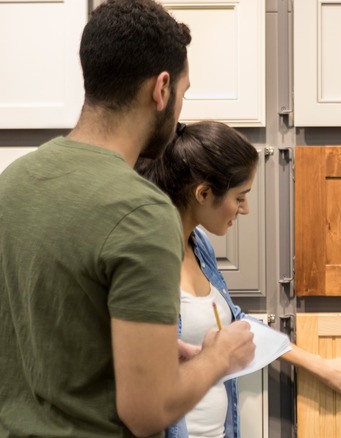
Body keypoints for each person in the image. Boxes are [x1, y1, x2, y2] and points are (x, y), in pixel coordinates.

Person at [0, 1, 255, 437]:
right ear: (161, 89)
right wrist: (220, 357)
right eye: (183, 92)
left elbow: (47, 327)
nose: (179, 111)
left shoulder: (14, 181)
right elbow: (148, 410)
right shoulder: (143, 212)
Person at [136, 121, 341, 438]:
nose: (245, 209)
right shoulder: (146, 261)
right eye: (240, 196)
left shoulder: (198, 244)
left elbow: (235, 324)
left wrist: (319, 365)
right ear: (203, 193)